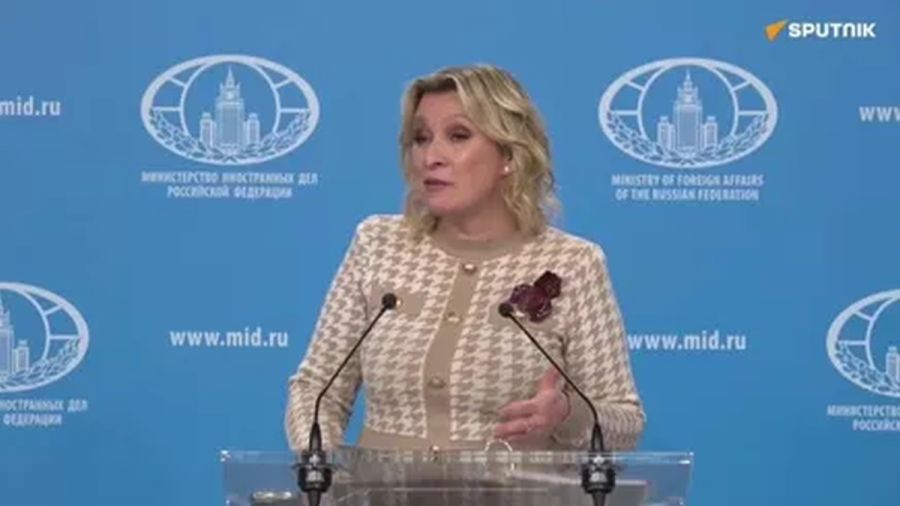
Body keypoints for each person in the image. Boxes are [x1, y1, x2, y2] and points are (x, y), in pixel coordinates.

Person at [285, 64, 645, 453]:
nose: (430, 157)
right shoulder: (378, 244)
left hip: (515, 487)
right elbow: (316, 389)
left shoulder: (574, 263)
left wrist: (568, 415)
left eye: (457, 136)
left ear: (509, 154)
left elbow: (625, 421)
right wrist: (320, 467)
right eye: (420, 138)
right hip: (381, 485)